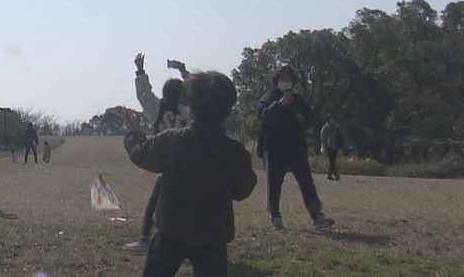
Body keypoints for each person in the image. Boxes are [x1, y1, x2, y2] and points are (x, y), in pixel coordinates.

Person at [123, 71, 258, 277]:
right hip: (214, 237)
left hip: (171, 231)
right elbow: (243, 190)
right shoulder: (234, 151)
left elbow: (140, 154)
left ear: (191, 106)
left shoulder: (172, 140)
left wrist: (133, 131)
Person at [125, 53, 191, 253]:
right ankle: (189, 238)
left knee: (155, 201)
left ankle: (146, 237)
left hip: (166, 163)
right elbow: (197, 94)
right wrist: (184, 72)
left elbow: (144, 94)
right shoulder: (189, 110)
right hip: (188, 162)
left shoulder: (157, 108)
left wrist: (140, 70)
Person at [256, 66, 334, 230]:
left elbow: (310, 118)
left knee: (306, 182)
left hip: (296, 147)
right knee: (274, 183)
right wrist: (279, 105)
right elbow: (264, 117)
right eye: (283, 78)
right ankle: (275, 216)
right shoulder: (269, 97)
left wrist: (303, 120)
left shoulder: (298, 100)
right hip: (274, 147)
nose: (286, 82)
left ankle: (317, 216)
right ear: (276, 80)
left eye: (289, 79)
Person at [320, 115, 345, 181]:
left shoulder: (336, 127)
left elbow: (340, 136)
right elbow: (323, 138)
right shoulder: (325, 128)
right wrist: (325, 148)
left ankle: (329, 175)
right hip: (328, 147)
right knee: (332, 161)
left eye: (333, 119)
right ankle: (336, 174)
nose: (333, 120)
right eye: (331, 119)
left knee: (333, 161)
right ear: (328, 120)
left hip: (335, 146)